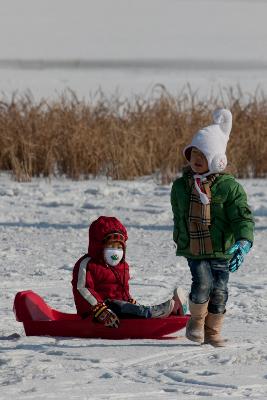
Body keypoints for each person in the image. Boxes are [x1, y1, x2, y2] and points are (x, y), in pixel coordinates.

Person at [171, 108, 254, 347]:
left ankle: (213, 330)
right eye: (193, 153)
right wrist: (181, 238)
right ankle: (196, 322)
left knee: (220, 290)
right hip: (196, 249)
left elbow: (242, 217)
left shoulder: (229, 188)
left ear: (218, 160)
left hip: (222, 248)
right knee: (203, 283)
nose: (196, 159)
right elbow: (179, 215)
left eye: (203, 155)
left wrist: (243, 240)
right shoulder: (181, 186)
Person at [72, 216, 187, 328]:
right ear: (99, 246)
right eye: (111, 246)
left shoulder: (122, 266)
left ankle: (173, 311)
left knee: (134, 309)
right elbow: (83, 289)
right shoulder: (88, 264)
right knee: (138, 311)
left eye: (119, 247)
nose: (115, 251)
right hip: (99, 311)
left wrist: (129, 301)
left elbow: (122, 291)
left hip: (118, 307)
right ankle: (164, 310)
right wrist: (100, 310)